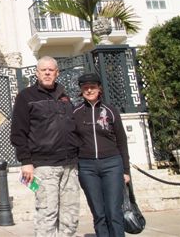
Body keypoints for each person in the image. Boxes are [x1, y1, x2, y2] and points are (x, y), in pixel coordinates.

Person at [11, 56, 79, 237]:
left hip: (70, 165)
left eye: (51, 70)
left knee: (70, 216)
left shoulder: (65, 96)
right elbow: (18, 132)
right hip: (44, 166)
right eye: (43, 70)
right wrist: (26, 162)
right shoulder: (26, 97)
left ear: (57, 73)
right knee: (47, 213)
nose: (47, 73)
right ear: (37, 73)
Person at [73, 72, 130, 237]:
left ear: (99, 89)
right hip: (87, 167)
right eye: (85, 88)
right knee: (98, 213)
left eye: (92, 87)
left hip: (112, 164)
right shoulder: (76, 112)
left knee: (114, 211)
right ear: (81, 91)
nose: (89, 90)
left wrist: (126, 170)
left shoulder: (110, 111)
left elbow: (122, 140)